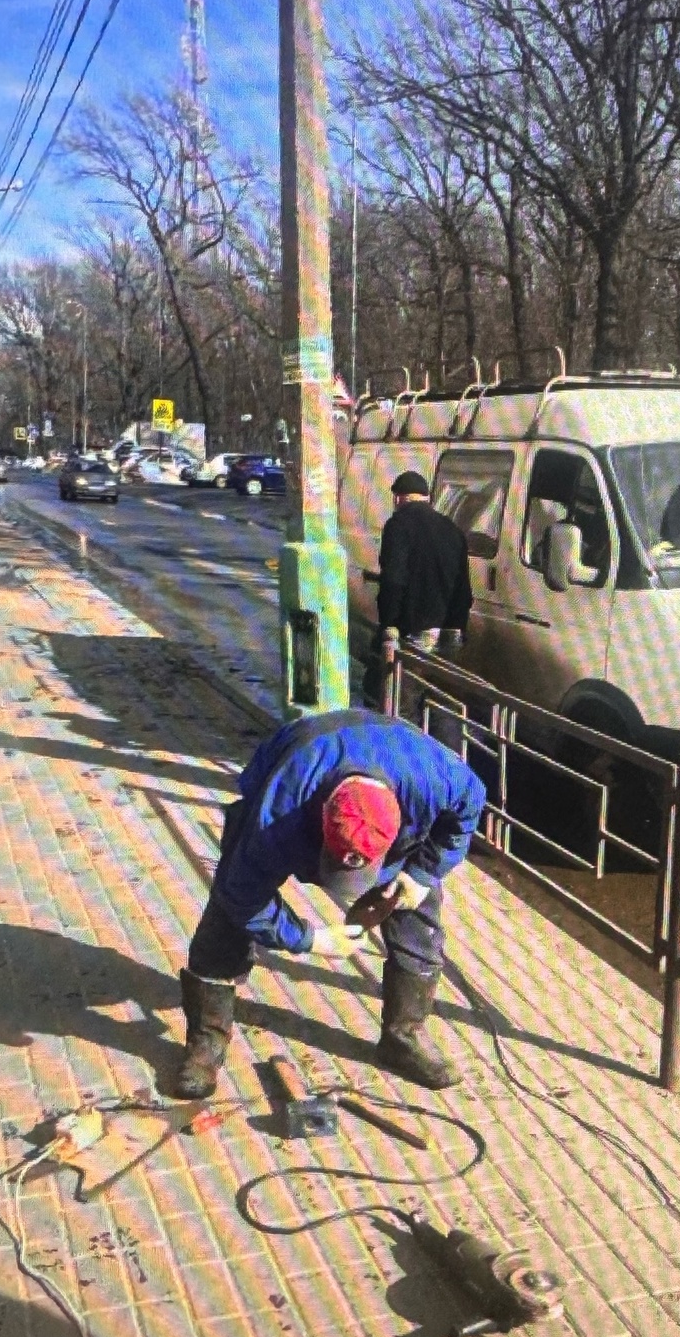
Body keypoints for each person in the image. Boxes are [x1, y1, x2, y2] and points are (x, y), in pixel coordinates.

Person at [165, 707, 486, 1100]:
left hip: (395, 770)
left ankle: (405, 1038)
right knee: (228, 912)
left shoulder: (440, 781)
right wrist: (310, 939)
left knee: (417, 919)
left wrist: (421, 873)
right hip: (301, 759)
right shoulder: (278, 810)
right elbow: (243, 896)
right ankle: (206, 1044)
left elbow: (468, 811)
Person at [362, 469, 473, 707]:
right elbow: (463, 587)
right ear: (426, 498)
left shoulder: (398, 525)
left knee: (403, 700)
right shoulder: (453, 530)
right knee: (441, 701)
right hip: (450, 630)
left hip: (415, 629)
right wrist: (458, 628)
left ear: (398, 498)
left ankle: (403, 729)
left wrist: (389, 624)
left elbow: (394, 579)